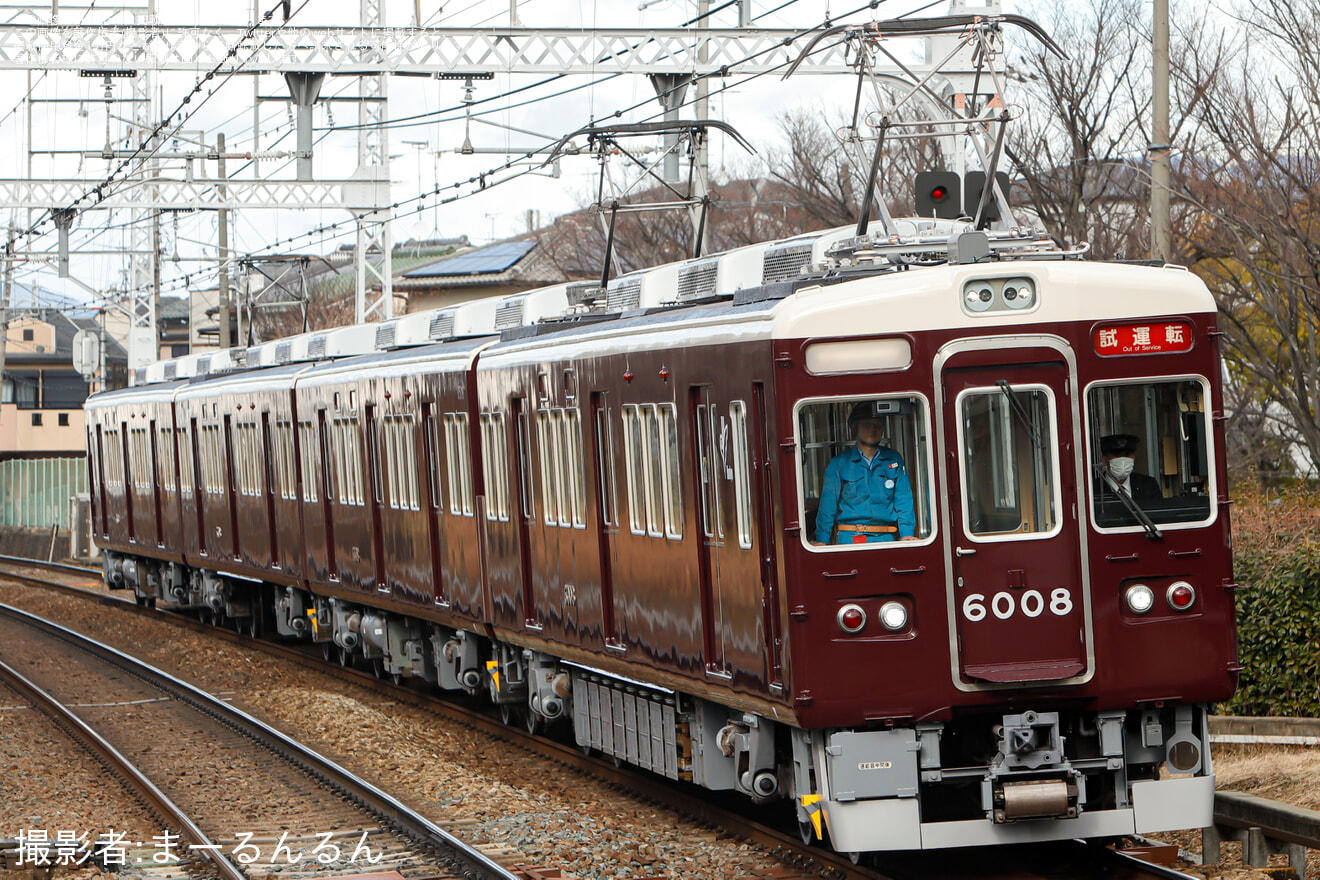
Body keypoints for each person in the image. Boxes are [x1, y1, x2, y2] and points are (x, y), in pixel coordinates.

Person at [813, 402, 918, 545]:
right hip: (850, 538)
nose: (872, 429)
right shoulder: (839, 463)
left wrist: (907, 534)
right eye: (867, 424)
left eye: (877, 425)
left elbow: (904, 499)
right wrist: (822, 540)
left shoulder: (894, 459)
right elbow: (827, 506)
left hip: (886, 537)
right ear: (854, 428)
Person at [1098, 433, 1162, 502]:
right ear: (1104, 459)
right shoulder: (1093, 489)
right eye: (1117, 455)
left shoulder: (1148, 485)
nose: (1122, 460)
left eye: (1127, 455)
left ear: (1134, 457)